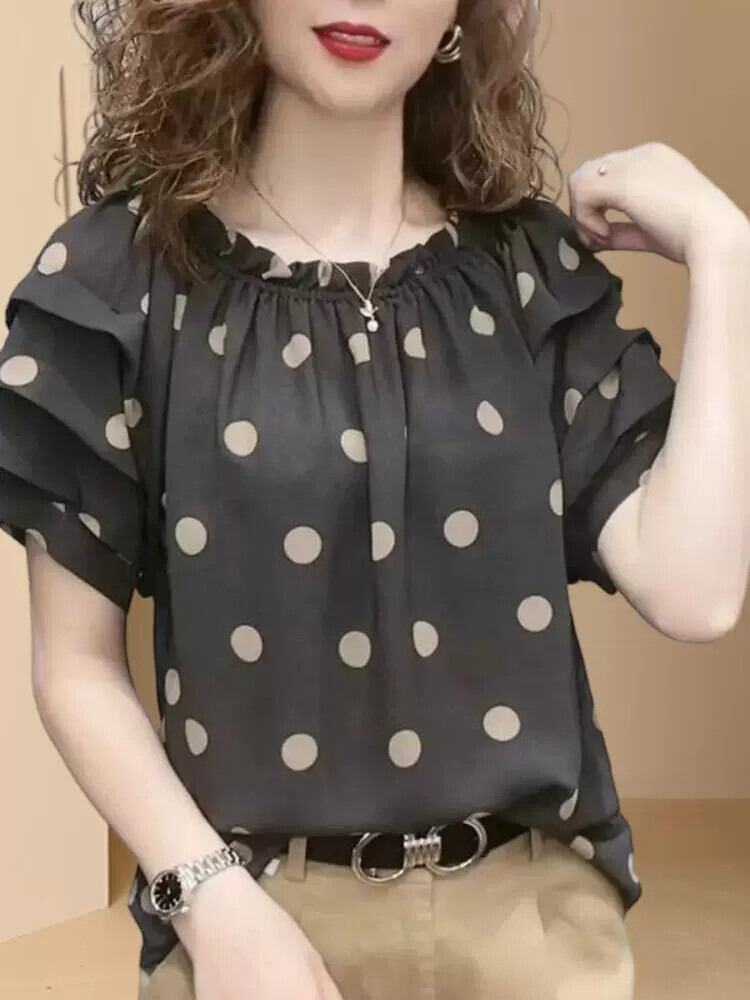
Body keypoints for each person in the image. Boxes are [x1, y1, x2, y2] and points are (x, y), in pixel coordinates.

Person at [3, 1, 748, 998]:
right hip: (254, 927)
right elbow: (75, 666)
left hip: (531, 931)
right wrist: (209, 903)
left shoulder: (527, 273)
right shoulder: (117, 281)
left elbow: (695, 593)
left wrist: (730, 258)